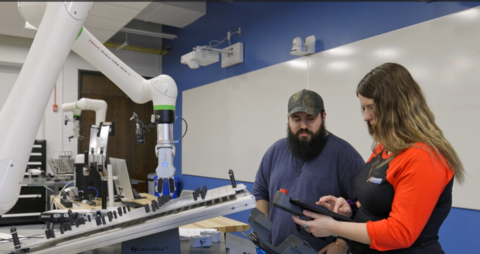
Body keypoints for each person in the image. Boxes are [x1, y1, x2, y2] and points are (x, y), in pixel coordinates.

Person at [292, 63, 465, 254]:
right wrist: (350, 208)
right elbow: (376, 200)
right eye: (363, 108)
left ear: (396, 106)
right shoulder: (386, 147)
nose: (366, 117)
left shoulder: (423, 158)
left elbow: (400, 233)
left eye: (371, 108)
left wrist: (334, 227)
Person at [252, 89, 365, 253]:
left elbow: (364, 207)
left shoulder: (345, 157)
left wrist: (341, 244)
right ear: (288, 119)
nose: (303, 126)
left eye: (310, 119)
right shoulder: (274, 152)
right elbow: (261, 192)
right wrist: (262, 232)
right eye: (296, 119)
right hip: (273, 249)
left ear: (323, 117)